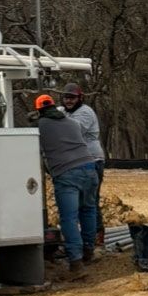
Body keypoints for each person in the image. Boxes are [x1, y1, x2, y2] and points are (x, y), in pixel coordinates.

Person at [32, 94, 99, 278]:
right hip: (89, 167)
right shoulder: (72, 122)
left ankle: (76, 263)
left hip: (66, 173)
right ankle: (88, 252)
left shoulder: (39, 126)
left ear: (39, 111)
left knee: (69, 218)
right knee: (88, 210)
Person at [62, 84, 105, 247]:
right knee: (80, 203)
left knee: (90, 202)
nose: (68, 101)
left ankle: (97, 235)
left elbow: (72, 130)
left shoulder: (85, 112)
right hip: (77, 162)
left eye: (72, 98)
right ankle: (87, 237)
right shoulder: (64, 111)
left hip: (92, 161)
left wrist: (53, 118)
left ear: (80, 98)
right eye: (66, 97)